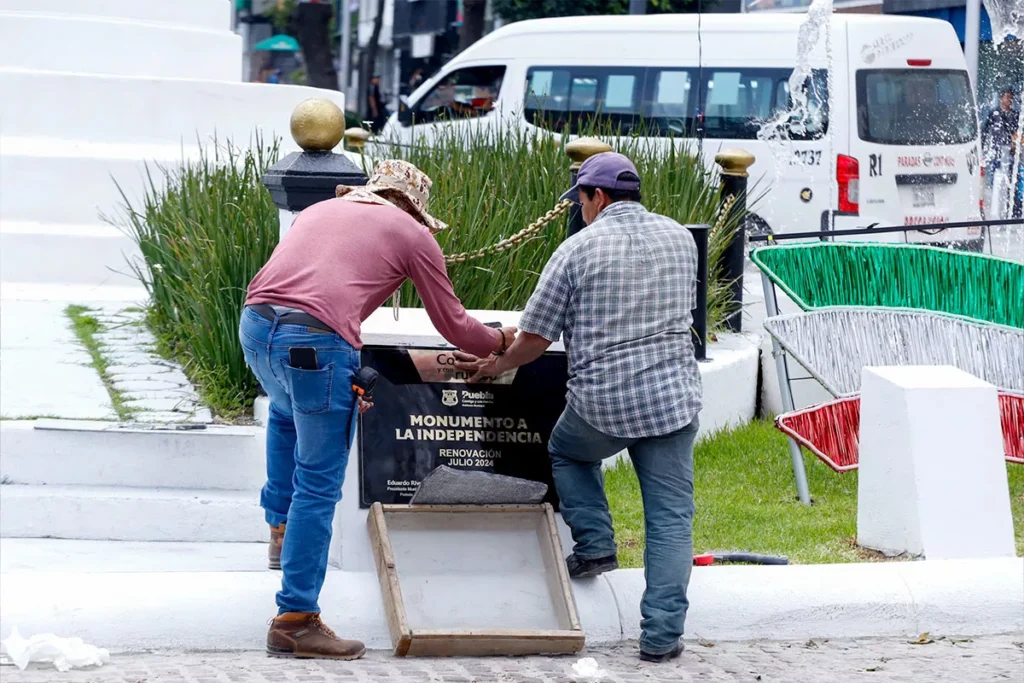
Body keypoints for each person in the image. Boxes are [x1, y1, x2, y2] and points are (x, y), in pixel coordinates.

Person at [240, 159, 516, 660]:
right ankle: (295, 619)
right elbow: (454, 325)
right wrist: (500, 339)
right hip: (316, 344)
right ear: (414, 207)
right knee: (319, 482)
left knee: (283, 413)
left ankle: (279, 530)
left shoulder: (323, 208)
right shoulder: (413, 235)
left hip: (256, 328)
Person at [454, 152, 703, 664]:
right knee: (671, 520)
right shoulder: (681, 238)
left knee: (567, 451)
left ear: (599, 197)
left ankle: (594, 543)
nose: (582, 209)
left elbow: (534, 340)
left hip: (603, 405)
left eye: (582, 200)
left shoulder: (577, 249)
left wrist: (490, 364)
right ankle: (660, 638)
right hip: (673, 399)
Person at [982, 88, 1019, 216]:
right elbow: (985, 131)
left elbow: (1017, 133)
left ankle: (1010, 208)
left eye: (1011, 98)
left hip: (1011, 152)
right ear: (1001, 98)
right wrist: (983, 148)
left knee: (1011, 179)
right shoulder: (994, 113)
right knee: (997, 178)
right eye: (1007, 97)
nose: (1009, 100)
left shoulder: (1015, 115)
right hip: (998, 151)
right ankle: (997, 209)